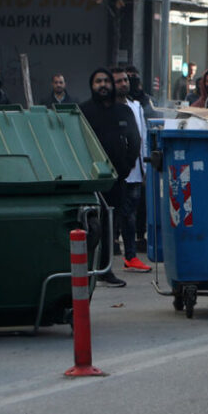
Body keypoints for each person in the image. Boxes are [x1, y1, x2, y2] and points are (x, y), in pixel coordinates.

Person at [80, 68, 142, 288]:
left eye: (106, 81)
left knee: (109, 225)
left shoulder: (123, 111)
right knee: (88, 225)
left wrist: (127, 166)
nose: (103, 85)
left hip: (117, 178)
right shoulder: (83, 111)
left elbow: (135, 140)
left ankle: (105, 270)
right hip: (89, 178)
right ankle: (85, 270)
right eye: (98, 81)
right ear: (92, 85)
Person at [111, 67, 152, 273]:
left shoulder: (136, 107)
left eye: (125, 80)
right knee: (113, 214)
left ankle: (131, 256)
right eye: (118, 81)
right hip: (113, 172)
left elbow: (142, 137)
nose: (124, 84)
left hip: (134, 171)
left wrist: (145, 168)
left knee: (130, 215)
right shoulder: (106, 108)